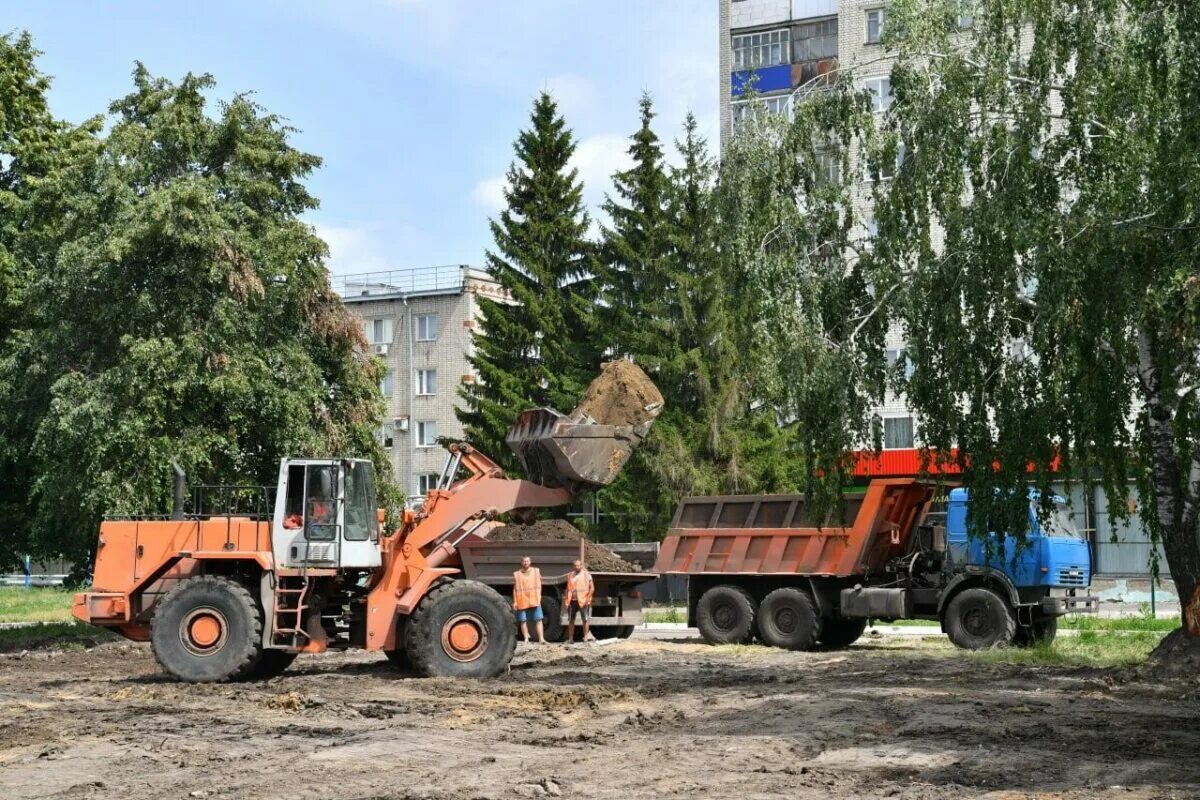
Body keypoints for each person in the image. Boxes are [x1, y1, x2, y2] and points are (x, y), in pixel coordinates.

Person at [513, 555, 545, 643]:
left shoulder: (536, 571)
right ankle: (526, 639)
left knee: (538, 619)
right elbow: (515, 589)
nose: (526, 563)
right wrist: (515, 601)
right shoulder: (517, 574)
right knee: (523, 620)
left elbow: (540, 581)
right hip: (522, 600)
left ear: (530, 562)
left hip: (534, 599)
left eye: (527, 561)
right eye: (524, 561)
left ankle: (541, 639)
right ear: (521, 562)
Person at [564, 559, 595, 643]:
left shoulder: (586, 575)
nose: (577, 567)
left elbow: (592, 588)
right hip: (572, 600)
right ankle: (570, 639)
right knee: (571, 620)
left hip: (583, 600)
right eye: (575, 565)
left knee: (585, 619)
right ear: (573, 566)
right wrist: (567, 599)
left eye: (578, 565)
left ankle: (585, 637)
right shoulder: (570, 575)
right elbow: (568, 588)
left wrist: (588, 598)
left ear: (581, 566)